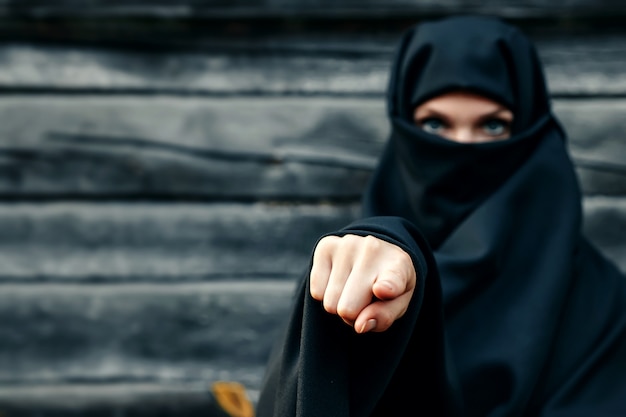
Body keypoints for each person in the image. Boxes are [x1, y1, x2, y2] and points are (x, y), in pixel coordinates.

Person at [256, 15, 626, 416]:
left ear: (531, 135)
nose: (462, 149)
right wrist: (389, 253)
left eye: (493, 126)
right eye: (433, 124)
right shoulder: (347, 277)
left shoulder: (601, 305)